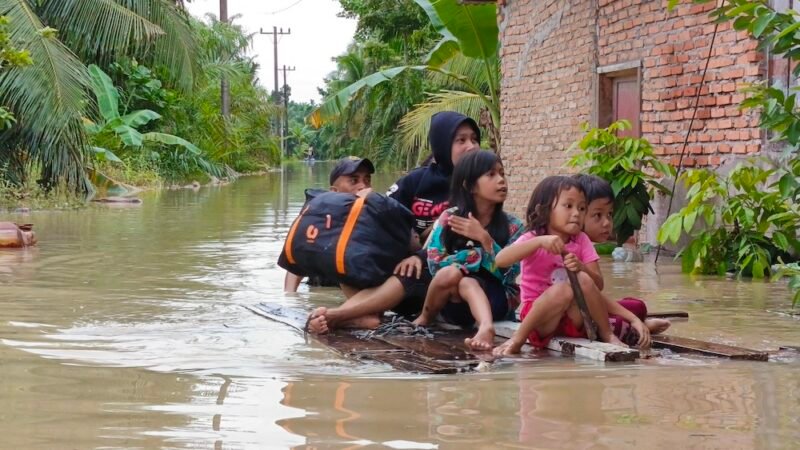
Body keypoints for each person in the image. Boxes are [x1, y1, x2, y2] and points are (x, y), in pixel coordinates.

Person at [307, 111, 481, 334]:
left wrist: (418, 256)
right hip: (406, 267)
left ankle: (337, 316)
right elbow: (383, 215)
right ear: (442, 143)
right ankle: (365, 315)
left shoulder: (476, 186)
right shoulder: (416, 180)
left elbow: (462, 241)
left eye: (474, 139)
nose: (471, 146)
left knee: (411, 272)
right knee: (351, 252)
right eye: (461, 140)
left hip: (441, 278)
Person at [492, 176, 650, 356]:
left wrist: (581, 267)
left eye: (581, 208)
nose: (576, 213)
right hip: (540, 321)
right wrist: (539, 242)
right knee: (563, 291)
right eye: (568, 206)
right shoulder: (533, 237)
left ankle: (608, 334)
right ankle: (518, 339)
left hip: (574, 319)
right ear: (544, 210)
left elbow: (597, 286)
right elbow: (500, 260)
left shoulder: (581, 240)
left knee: (583, 280)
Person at [411, 150, 524, 350]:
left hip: (496, 299)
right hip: (453, 303)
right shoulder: (449, 218)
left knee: (467, 282)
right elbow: (435, 263)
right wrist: (473, 257)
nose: (501, 181)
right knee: (452, 274)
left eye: (502, 173)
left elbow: (510, 273)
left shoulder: (513, 226)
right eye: (491, 174)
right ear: (470, 185)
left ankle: (486, 327)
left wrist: (485, 239)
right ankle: (426, 316)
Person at [572, 174, 671, 337]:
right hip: (575, 316)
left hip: (590, 308)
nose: (607, 223)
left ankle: (635, 323)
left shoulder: (583, 244)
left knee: (637, 306)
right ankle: (637, 327)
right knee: (622, 319)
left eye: (609, 214)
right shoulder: (570, 243)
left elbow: (598, 289)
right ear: (579, 213)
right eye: (598, 215)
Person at [283, 156, 374, 293]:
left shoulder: (375, 216)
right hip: (321, 290)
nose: (363, 186)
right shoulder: (318, 218)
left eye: (367, 180)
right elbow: (298, 261)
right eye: (354, 181)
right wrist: (289, 297)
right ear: (334, 192)